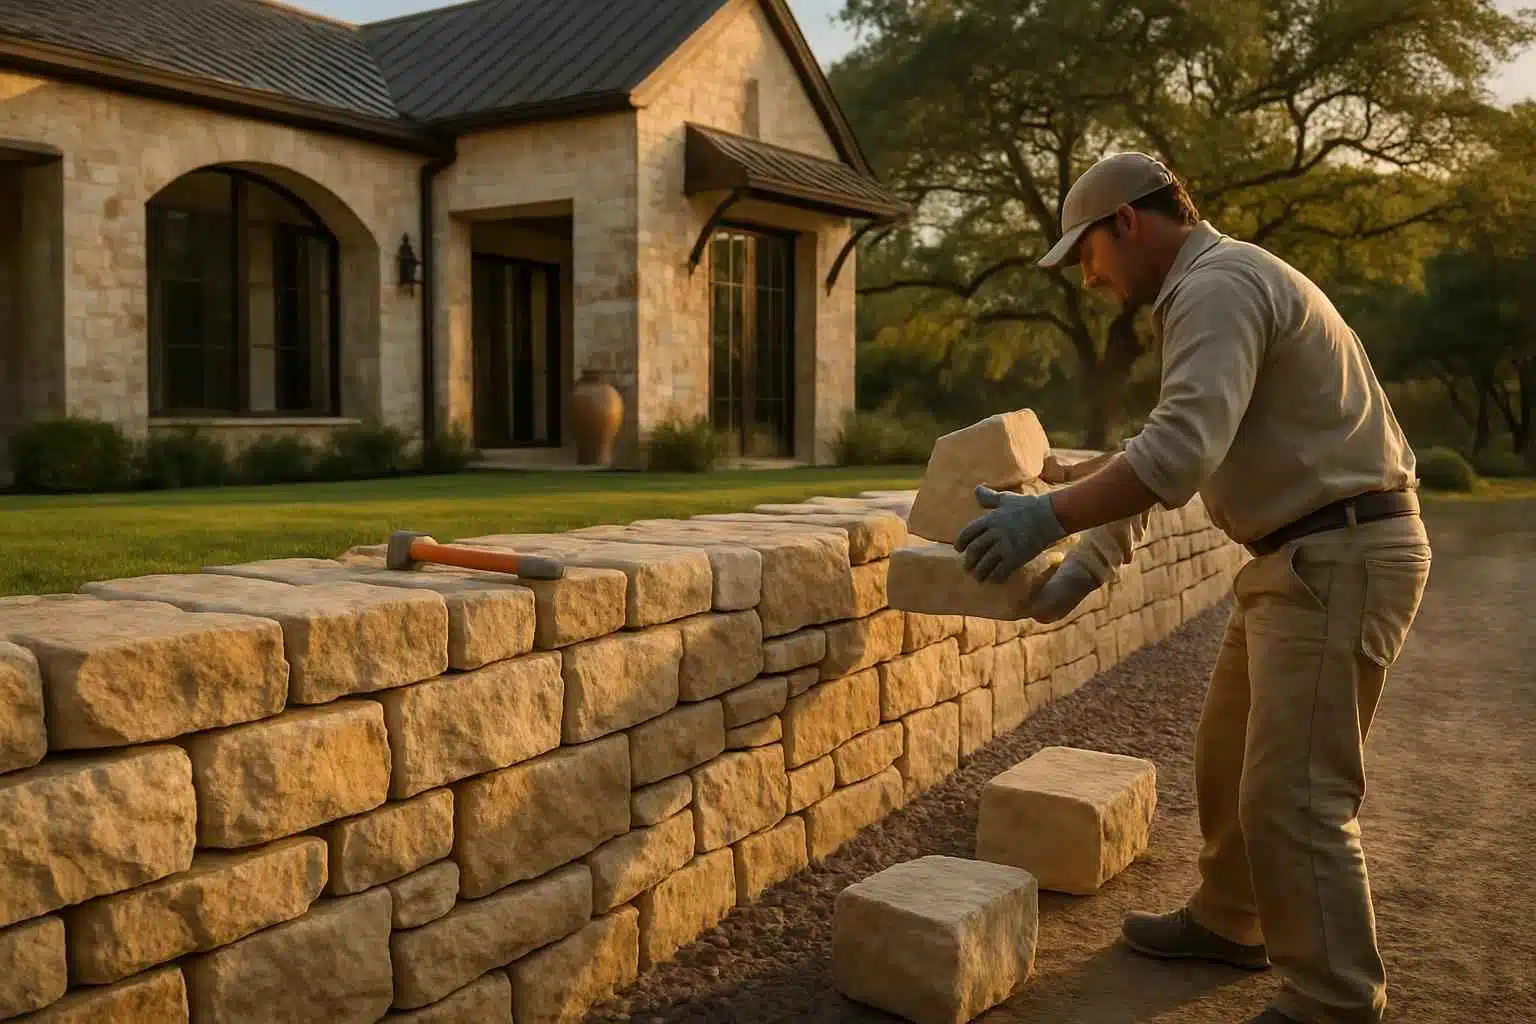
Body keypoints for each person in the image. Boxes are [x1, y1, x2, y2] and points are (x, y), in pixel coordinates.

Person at [955, 152, 1432, 1024]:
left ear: (1127, 223)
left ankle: (1335, 1001)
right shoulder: (1211, 289)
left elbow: (1175, 455)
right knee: (1226, 759)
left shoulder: (1219, 286)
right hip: (1301, 558)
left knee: (1297, 794)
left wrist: (1046, 519)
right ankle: (1233, 921)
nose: (1088, 275)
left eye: (1087, 252)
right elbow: (1161, 446)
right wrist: (1089, 563)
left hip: (1340, 555)